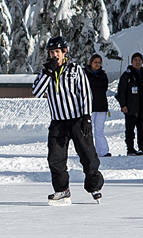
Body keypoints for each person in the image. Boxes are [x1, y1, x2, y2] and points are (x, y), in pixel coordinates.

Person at [32, 36, 102, 205]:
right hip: (58, 122)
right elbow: (37, 92)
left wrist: (86, 117)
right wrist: (49, 72)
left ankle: (94, 187)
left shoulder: (75, 69)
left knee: (87, 154)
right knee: (55, 158)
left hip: (78, 119)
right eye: (51, 53)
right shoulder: (45, 72)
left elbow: (86, 93)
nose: (54, 55)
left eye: (57, 52)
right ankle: (62, 190)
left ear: (64, 52)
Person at [118, 52, 143, 155]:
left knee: (142, 128)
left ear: (142, 61)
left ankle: (142, 147)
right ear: (132, 62)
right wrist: (123, 105)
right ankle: (130, 148)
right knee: (130, 129)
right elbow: (121, 91)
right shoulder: (127, 75)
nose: (137, 62)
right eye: (135, 60)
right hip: (131, 107)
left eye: (139, 60)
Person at [87, 55, 112, 157]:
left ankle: (103, 151)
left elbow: (104, 88)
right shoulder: (86, 75)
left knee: (99, 130)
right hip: (89, 107)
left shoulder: (103, 75)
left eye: (99, 62)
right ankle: (87, 152)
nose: (97, 64)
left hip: (101, 107)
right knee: (88, 131)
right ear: (91, 63)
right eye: (95, 62)